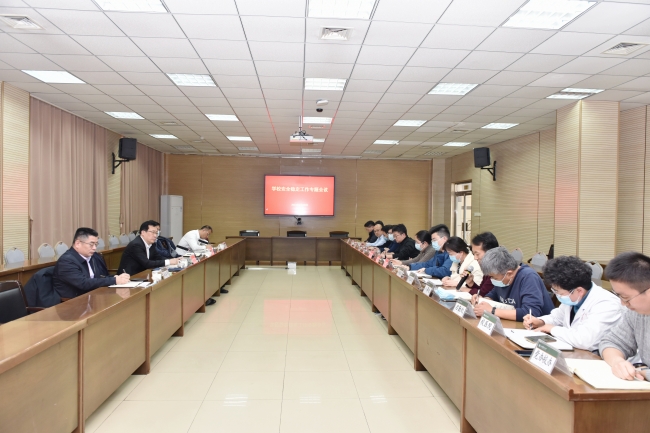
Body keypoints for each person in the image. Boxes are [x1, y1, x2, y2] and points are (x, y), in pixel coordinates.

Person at [522, 256, 621, 352]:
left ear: (579, 290)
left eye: (560, 293)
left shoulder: (607, 303)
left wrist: (552, 329)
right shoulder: (573, 297)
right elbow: (557, 317)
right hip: (574, 350)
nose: (557, 295)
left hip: (594, 356)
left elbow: (586, 340)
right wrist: (541, 321)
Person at [600, 252, 650, 381]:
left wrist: (644, 373)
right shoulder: (636, 313)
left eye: (625, 297)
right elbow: (612, 342)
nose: (623, 303)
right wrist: (617, 362)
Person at [473, 247, 554, 321]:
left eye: (494, 277)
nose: (492, 280)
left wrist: (492, 310)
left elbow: (530, 313)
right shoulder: (503, 278)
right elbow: (494, 294)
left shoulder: (528, 277)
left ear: (509, 273)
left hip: (540, 328)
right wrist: (482, 301)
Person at [53, 227, 130, 299]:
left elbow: (98, 277)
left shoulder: (93, 257)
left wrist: (116, 277)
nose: (94, 248)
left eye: (96, 244)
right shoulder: (66, 261)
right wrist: (114, 280)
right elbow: (83, 283)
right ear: (78, 244)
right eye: (91, 244)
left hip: (93, 296)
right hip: (74, 301)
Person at [464, 232, 498, 297]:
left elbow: (483, 294)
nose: (475, 258)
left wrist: (467, 290)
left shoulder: (497, 269)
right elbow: (482, 290)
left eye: (477, 254)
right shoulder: (487, 268)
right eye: (473, 254)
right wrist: (471, 283)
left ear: (490, 252)